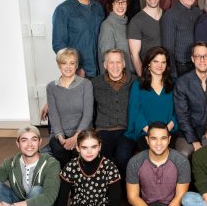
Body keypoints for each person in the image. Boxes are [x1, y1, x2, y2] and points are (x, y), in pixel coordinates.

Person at [114, 122, 198, 206]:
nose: (159, 143)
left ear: (169, 139)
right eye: (154, 138)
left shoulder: (181, 161)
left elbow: (180, 196)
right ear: (147, 140)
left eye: (163, 138)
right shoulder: (135, 162)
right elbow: (132, 197)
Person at [91, 49, 136, 178]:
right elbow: (78, 95)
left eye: (118, 62)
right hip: (103, 129)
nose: (115, 66)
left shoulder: (135, 81)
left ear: (124, 64)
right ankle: (108, 191)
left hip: (126, 130)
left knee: (123, 156)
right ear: (105, 65)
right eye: (111, 62)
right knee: (103, 157)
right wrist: (49, 103)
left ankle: (122, 192)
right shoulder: (95, 83)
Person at [173, 42, 207, 158]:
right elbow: (182, 116)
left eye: (205, 56)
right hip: (188, 131)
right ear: (192, 59)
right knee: (183, 153)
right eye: (198, 56)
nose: (202, 60)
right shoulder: (182, 82)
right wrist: (194, 141)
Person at [46, 48, 94, 167]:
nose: (68, 67)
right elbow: (53, 115)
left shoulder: (86, 84)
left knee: (79, 153)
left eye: (72, 63)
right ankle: (66, 183)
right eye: (64, 63)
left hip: (83, 132)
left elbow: (88, 114)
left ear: (76, 65)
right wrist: (61, 137)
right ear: (59, 65)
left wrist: (76, 136)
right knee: (61, 152)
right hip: (59, 134)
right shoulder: (51, 87)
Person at [52, 0, 104, 78]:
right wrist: (75, 68)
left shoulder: (98, 8)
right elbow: (59, 44)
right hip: (79, 74)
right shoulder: (63, 10)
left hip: (100, 71)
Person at [125, 46, 178, 148]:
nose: (160, 65)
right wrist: (151, 133)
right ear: (149, 63)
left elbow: (179, 111)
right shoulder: (138, 85)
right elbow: (135, 111)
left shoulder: (174, 84)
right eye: (156, 61)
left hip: (169, 132)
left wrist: (167, 130)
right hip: (146, 133)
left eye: (163, 62)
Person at [161, 0, 202, 78]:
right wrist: (173, 74)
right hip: (182, 68)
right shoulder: (170, 15)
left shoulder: (198, 12)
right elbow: (168, 48)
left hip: (199, 64)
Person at [127, 0, 164, 77]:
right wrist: (143, 78)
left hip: (168, 74)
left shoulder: (168, 16)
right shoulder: (136, 21)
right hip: (148, 75)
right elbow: (134, 55)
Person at [98, 0, 132, 74]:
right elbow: (107, 59)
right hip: (117, 77)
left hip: (130, 75)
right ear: (111, 5)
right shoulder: (107, 26)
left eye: (123, 2)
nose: (120, 5)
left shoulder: (128, 24)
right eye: (117, 2)